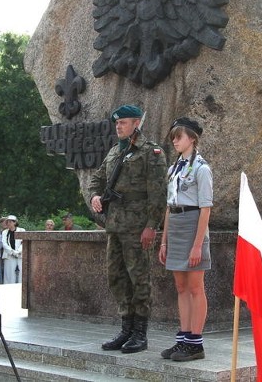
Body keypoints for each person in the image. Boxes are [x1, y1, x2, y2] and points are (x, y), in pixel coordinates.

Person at [88, 104, 167, 354]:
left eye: (123, 122)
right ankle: (126, 328)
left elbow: (158, 193)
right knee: (117, 277)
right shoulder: (114, 152)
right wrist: (94, 197)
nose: (118, 127)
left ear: (136, 123)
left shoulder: (151, 152)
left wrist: (151, 226)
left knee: (139, 278)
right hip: (115, 225)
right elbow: (96, 180)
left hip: (137, 226)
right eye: (116, 123)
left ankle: (140, 333)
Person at [158, 117, 213, 361]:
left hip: (193, 225)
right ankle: (183, 338)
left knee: (194, 286)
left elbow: (206, 208)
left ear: (192, 138)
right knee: (180, 287)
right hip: (176, 226)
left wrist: (198, 244)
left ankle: (195, 343)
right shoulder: (173, 170)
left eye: (178, 137)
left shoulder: (202, 168)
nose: (175, 141)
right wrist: (164, 240)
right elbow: (169, 206)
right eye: (173, 138)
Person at [1, 215, 25, 284]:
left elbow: (23, 242)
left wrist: (18, 252)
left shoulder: (22, 230)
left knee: (21, 274)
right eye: (7, 221)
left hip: (19, 255)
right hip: (9, 256)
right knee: (9, 274)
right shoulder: (5, 232)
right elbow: (4, 243)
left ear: (15, 222)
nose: (8, 223)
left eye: (10, 221)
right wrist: (12, 252)